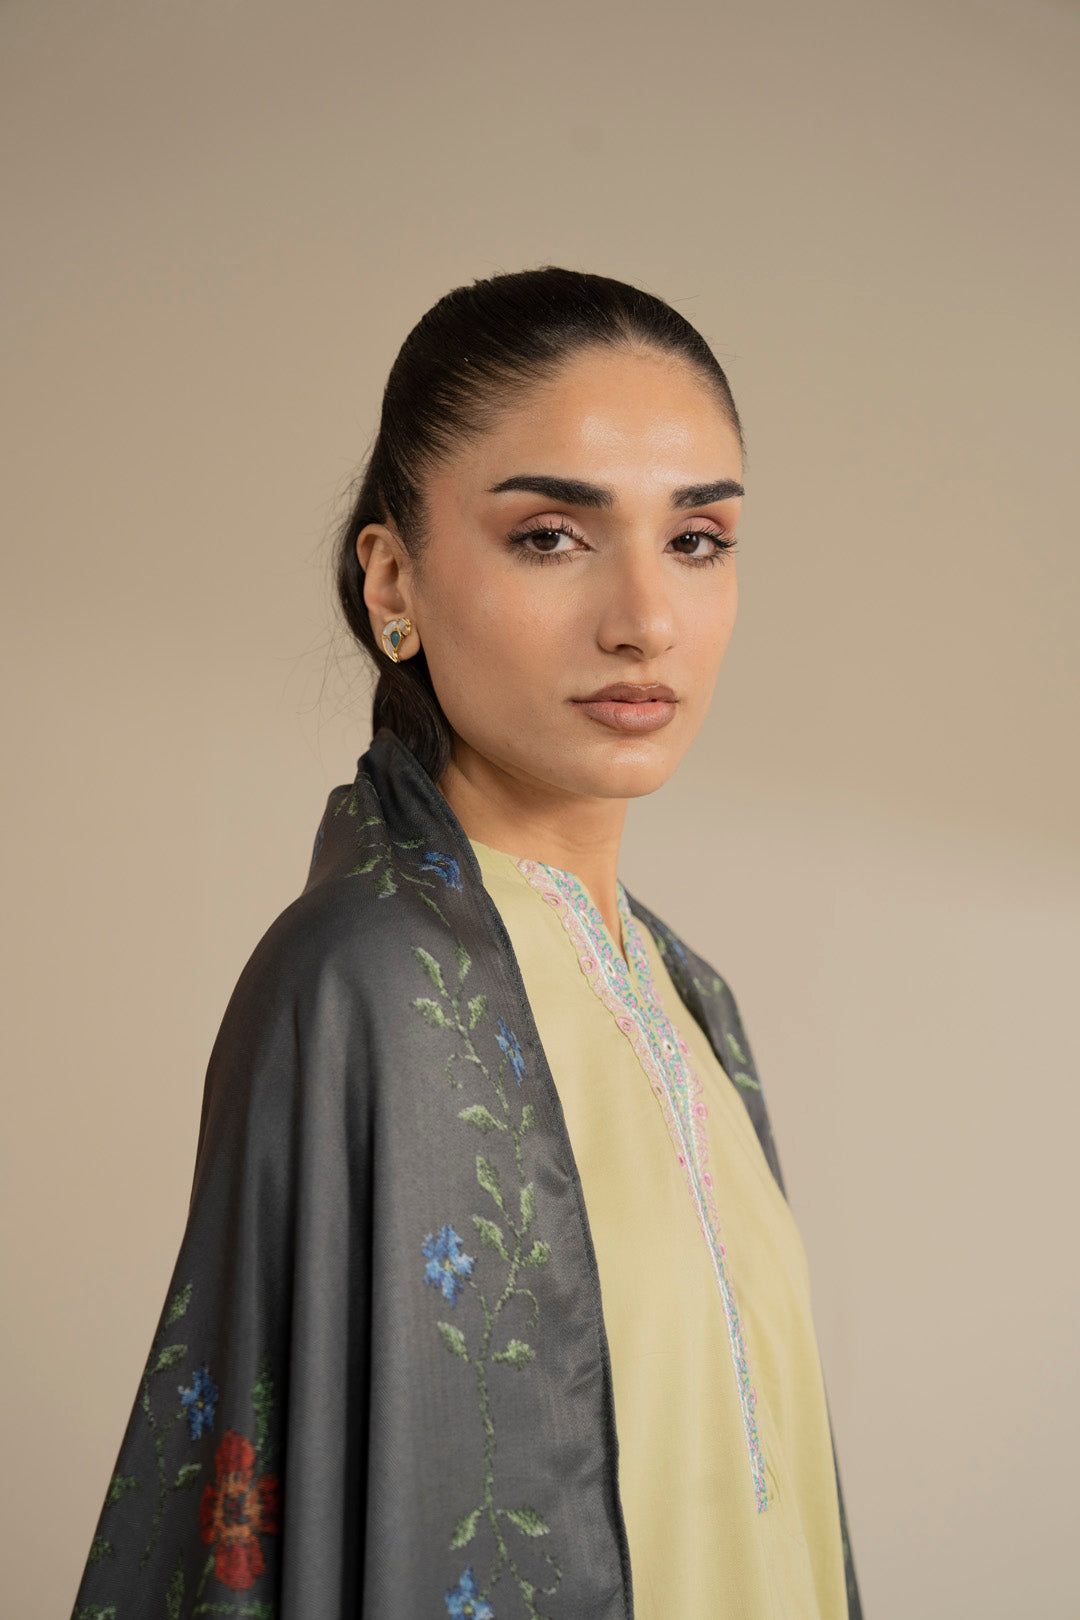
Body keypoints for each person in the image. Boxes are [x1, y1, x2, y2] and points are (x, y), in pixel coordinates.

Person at [71, 266, 862, 1620]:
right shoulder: (364, 986)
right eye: (552, 535)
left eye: (696, 541)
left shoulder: (692, 1002)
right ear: (395, 576)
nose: (643, 619)